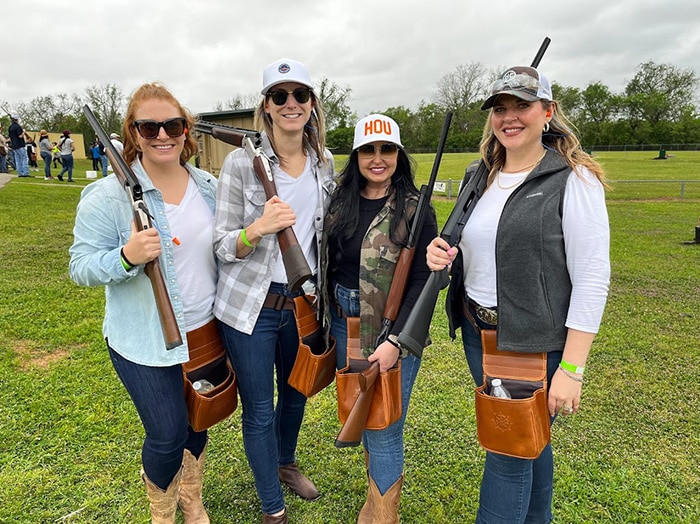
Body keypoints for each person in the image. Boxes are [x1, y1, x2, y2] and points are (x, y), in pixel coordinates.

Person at [426, 66, 611, 523]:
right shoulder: (479, 174)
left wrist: (572, 368)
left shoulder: (573, 179)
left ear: (547, 112)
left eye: (522, 106)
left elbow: (592, 278)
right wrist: (442, 253)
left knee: (507, 454)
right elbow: (476, 243)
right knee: (531, 446)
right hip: (478, 333)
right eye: (500, 109)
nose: (510, 117)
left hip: (531, 342)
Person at [69, 82, 218, 523]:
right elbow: (80, 266)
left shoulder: (207, 184)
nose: (162, 135)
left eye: (172, 124)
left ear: (186, 128)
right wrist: (126, 257)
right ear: (132, 132)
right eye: (148, 126)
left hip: (205, 329)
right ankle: (162, 513)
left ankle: (192, 499)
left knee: (198, 421)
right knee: (168, 433)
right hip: (143, 339)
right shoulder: (107, 196)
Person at [214, 58, 335, 524]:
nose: (291, 104)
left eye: (300, 95)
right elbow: (223, 245)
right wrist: (258, 229)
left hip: (303, 303)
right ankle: (272, 507)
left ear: (311, 104)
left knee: (298, 393)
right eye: (280, 96)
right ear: (266, 107)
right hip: (252, 308)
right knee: (260, 409)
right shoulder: (240, 163)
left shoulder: (324, 163)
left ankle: (285, 462)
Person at [323, 114, 437, 522]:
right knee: (363, 411)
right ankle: (374, 501)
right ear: (355, 157)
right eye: (368, 150)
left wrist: (397, 341)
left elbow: (425, 279)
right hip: (345, 322)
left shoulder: (415, 207)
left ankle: (383, 514)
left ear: (398, 155)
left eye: (386, 149)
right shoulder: (339, 201)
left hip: (393, 330)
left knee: (384, 425)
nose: (377, 158)